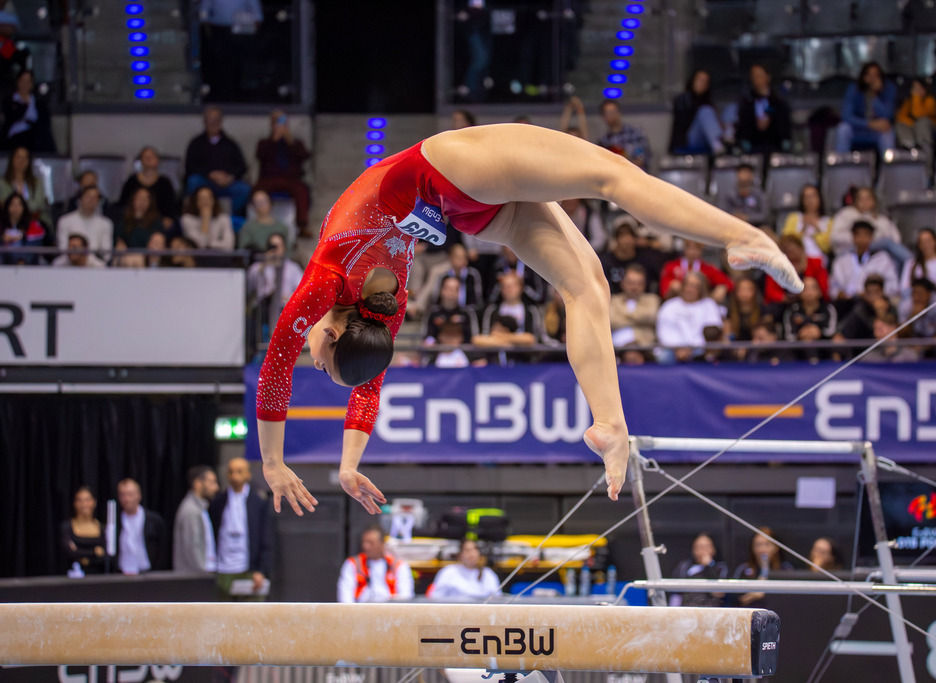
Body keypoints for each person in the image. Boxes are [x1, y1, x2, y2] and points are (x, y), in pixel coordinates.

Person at [252, 123, 801, 514]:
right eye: (320, 368)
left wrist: (273, 463)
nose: (312, 364)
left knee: (610, 177)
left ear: (330, 331)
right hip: (462, 207)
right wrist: (349, 465)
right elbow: (363, 384)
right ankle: (610, 425)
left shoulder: (325, 279)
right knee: (587, 286)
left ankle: (739, 236)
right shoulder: (379, 313)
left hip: (449, 166)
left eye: (320, 368)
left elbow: (276, 368)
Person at [210, 458, 275, 601]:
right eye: (231, 472)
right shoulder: (218, 502)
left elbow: (265, 537)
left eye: (239, 472)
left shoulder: (258, 502)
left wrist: (261, 570)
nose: (235, 477)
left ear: (248, 475)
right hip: (224, 569)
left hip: (249, 570)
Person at [184, 107, 250, 226]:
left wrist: (229, 177)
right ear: (205, 121)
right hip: (205, 182)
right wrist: (210, 174)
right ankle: (195, 215)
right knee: (192, 181)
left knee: (244, 189)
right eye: (210, 119)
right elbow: (190, 166)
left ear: (221, 121)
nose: (213, 122)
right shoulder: (196, 143)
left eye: (216, 119)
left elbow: (242, 167)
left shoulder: (231, 144)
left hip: (227, 184)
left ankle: (225, 218)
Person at [253, 110, 312, 234]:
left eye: (282, 121)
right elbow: (260, 156)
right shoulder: (264, 143)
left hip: (290, 179)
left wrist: (290, 141)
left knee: (302, 189)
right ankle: (255, 222)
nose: (280, 125)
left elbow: (304, 156)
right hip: (269, 179)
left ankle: (302, 225)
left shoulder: (295, 143)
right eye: (277, 121)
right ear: (272, 124)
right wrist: (274, 140)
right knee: (255, 190)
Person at [656, 272, 724, 363]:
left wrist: (691, 349)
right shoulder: (670, 305)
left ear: (701, 289)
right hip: (673, 349)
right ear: (683, 286)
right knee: (663, 356)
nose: (690, 289)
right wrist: (678, 348)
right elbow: (664, 331)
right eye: (688, 285)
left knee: (711, 354)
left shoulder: (709, 304)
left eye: (695, 286)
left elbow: (712, 331)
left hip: (700, 349)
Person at [337, 525, 414, 603]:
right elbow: (345, 596)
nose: (365, 546)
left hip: (390, 610)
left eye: (371, 543)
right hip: (360, 610)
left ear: (382, 544)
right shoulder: (353, 564)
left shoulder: (398, 565)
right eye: (364, 542)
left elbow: (406, 596)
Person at [830, 221, 900, 303]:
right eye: (858, 235)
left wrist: (874, 293)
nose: (862, 238)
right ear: (853, 236)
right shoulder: (841, 260)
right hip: (845, 303)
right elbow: (833, 287)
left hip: (872, 302)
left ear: (872, 237)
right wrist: (838, 294)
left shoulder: (882, 259)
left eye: (866, 235)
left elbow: (893, 286)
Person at [836, 62, 897, 154]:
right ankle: (842, 164)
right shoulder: (854, 89)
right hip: (859, 128)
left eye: (876, 75)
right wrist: (869, 124)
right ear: (863, 77)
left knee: (887, 131)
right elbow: (846, 116)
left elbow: (887, 115)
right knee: (843, 128)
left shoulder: (888, 88)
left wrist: (875, 95)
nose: (872, 79)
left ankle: (889, 165)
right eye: (869, 75)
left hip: (877, 130)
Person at [829, 187, 903, 259]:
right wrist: (860, 239)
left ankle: (909, 263)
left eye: (868, 199)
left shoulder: (882, 219)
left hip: (879, 254)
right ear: (855, 201)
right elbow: (835, 237)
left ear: (874, 201)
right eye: (860, 199)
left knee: (889, 252)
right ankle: (910, 262)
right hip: (850, 251)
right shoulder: (846, 214)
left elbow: (896, 240)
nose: (864, 202)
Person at [114, 478, 169, 574]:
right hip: (122, 573)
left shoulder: (154, 521)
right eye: (123, 495)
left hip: (147, 573)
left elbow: (163, 550)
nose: (126, 499)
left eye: (130, 494)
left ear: (138, 496)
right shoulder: (115, 522)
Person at [736, 64, 792, 156]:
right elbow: (742, 127)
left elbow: (782, 122)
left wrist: (769, 116)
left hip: (774, 147)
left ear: (768, 76)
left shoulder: (777, 102)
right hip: (752, 148)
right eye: (754, 76)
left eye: (759, 75)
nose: (756, 79)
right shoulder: (747, 102)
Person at [173, 465, 220, 573]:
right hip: (194, 579)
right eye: (212, 482)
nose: (216, 488)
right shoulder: (191, 510)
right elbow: (192, 548)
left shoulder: (201, 508)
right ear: (198, 483)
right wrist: (203, 573)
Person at [600, 216, 664, 295]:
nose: (626, 240)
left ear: (635, 238)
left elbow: (657, 281)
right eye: (622, 235)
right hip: (614, 302)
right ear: (616, 238)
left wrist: (650, 243)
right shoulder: (606, 261)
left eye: (630, 235)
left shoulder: (646, 259)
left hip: (643, 301)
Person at [118, 146, 179, 230]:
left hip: (159, 221)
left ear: (157, 160)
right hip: (135, 218)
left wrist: (168, 218)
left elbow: (170, 206)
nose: (149, 159)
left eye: (151, 157)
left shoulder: (165, 182)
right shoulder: (132, 181)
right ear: (141, 161)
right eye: (146, 157)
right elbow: (123, 203)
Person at [668, 69, 725, 155]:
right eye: (700, 80)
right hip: (686, 140)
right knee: (705, 112)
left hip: (705, 140)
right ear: (693, 81)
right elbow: (683, 123)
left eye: (706, 81)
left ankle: (725, 145)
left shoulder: (707, 101)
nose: (703, 83)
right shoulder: (683, 99)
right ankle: (718, 147)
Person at [764, 235, 829, 309]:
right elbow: (771, 291)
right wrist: (785, 298)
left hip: (813, 300)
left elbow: (823, 287)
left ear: (801, 248)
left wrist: (811, 294)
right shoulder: (778, 266)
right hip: (786, 303)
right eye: (788, 251)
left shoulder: (815, 263)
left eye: (793, 250)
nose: (791, 254)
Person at [734, 526, 793, 607]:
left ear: (775, 547)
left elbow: (789, 598)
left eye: (767, 544)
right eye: (758, 545)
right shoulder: (744, 569)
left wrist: (764, 595)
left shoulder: (785, 569)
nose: (762, 549)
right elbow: (739, 599)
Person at [782, 276, 837, 361]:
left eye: (813, 288)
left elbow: (830, 331)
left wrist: (819, 333)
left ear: (819, 292)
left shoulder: (828, 309)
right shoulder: (792, 311)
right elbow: (789, 336)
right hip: (798, 351)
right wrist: (800, 335)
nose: (809, 292)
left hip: (823, 349)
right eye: (805, 288)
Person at [659, 239, 733, 302]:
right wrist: (672, 288)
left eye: (696, 248)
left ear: (701, 250)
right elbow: (663, 291)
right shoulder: (671, 266)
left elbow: (729, 282)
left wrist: (723, 287)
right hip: (677, 304)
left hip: (701, 305)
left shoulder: (707, 268)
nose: (692, 252)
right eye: (689, 247)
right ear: (684, 248)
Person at [427, 538, 501, 600]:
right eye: (468, 550)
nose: (472, 554)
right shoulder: (448, 572)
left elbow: (497, 599)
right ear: (460, 554)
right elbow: (435, 598)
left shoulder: (488, 574)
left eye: (475, 550)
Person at [668, 532, 728, 607]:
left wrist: (708, 567)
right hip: (688, 608)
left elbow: (718, 593)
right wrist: (673, 610)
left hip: (711, 609)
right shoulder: (684, 567)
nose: (703, 551)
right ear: (694, 550)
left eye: (706, 547)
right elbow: (677, 594)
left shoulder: (720, 568)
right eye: (700, 547)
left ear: (713, 549)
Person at [894, 79, 936, 163]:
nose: (917, 91)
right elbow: (900, 117)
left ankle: (928, 165)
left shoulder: (930, 100)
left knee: (922, 122)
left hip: (933, 131)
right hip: (914, 133)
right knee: (900, 125)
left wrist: (916, 97)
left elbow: (918, 114)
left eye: (919, 88)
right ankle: (909, 146)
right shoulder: (908, 102)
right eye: (914, 88)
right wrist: (912, 125)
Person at [1, 69, 54, 152]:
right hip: (15, 136)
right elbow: (12, 116)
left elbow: (43, 122)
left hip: (34, 137)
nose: (25, 84)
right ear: (17, 82)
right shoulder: (9, 101)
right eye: (23, 80)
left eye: (28, 81)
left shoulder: (38, 103)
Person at [610, 262, 661, 347]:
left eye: (639, 283)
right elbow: (612, 321)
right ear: (622, 283)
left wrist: (623, 316)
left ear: (644, 284)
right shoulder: (613, 300)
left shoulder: (652, 299)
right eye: (631, 283)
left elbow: (651, 316)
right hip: (617, 348)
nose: (634, 287)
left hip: (645, 347)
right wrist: (640, 321)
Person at [59, 485, 107, 574]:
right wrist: (94, 552)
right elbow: (70, 552)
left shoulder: (103, 528)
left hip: (98, 576)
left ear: (94, 502)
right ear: (74, 503)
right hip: (74, 576)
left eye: (87, 500)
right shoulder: (67, 527)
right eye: (79, 500)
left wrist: (82, 554)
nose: (84, 504)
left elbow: (106, 556)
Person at [480, 273, 544, 338]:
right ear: (501, 289)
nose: (509, 289)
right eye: (505, 286)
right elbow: (484, 336)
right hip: (497, 347)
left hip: (523, 347)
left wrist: (502, 336)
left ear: (521, 288)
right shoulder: (492, 310)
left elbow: (534, 338)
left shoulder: (531, 311)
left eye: (513, 285)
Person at [0, 146, 51, 228]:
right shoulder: (2, 183)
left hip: (36, 220)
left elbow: (39, 205)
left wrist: (18, 206)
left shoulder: (37, 183)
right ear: (12, 159)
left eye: (25, 158)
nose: (21, 161)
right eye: (18, 157)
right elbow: (4, 206)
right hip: (9, 223)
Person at [56, 185, 113, 257]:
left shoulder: (106, 223)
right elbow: (62, 249)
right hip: (69, 263)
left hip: (95, 265)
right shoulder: (64, 221)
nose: (91, 200)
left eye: (95, 198)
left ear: (98, 201)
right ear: (80, 199)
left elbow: (106, 253)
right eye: (88, 196)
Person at [248, 232, 303, 306]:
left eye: (279, 246)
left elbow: (302, 290)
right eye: (273, 246)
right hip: (263, 309)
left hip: (285, 307)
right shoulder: (259, 266)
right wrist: (265, 262)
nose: (276, 249)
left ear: (284, 247)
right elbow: (249, 286)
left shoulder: (293, 268)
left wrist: (289, 298)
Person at [898, 277, 936, 353]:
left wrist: (923, 347)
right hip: (915, 340)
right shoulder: (906, 305)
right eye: (914, 293)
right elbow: (901, 336)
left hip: (935, 343)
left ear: (929, 293)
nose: (916, 297)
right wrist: (911, 318)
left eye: (920, 293)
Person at [597, 100, 653, 171]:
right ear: (603, 116)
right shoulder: (603, 140)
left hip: (637, 176)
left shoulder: (635, 132)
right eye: (608, 112)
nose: (612, 115)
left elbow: (643, 158)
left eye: (613, 111)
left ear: (619, 112)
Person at [781, 184, 831, 263]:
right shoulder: (794, 218)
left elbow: (827, 247)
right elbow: (787, 241)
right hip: (797, 262)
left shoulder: (828, 221)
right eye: (806, 197)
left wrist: (817, 228)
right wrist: (803, 229)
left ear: (819, 198)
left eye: (813, 196)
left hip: (819, 262)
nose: (810, 200)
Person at [424, 275, 480, 344]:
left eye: (455, 290)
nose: (451, 293)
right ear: (442, 290)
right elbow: (427, 337)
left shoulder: (467, 313)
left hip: (462, 352)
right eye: (448, 289)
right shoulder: (433, 313)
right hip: (438, 352)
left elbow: (474, 338)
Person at [900, 228, 936, 296]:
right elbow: (904, 287)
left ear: (935, 242)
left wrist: (931, 285)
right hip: (915, 297)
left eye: (928, 241)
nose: (925, 245)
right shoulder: (911, 263)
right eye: (922, 242)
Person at [181, 186, 235, 251]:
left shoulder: (224, 218)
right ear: (195, 201)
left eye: (208, 198)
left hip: (219, 256)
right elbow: (200, 245)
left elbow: (229, 246)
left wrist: (209, 244)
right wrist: (205, 219)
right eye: (201, 198)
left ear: (214, 200)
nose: (205, 201)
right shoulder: (187, 219)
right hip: (197, 257)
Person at [1, 192, 47, 265]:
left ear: (24, 207)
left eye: (19, 204)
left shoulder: (32, 225)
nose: (16, 208)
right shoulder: (1, 226)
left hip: (27, 264)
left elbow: (35, 247)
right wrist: (2, 239)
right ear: (7, 207)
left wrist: (23, 261)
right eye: (13, 204)